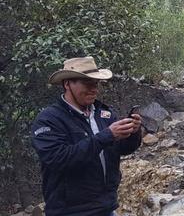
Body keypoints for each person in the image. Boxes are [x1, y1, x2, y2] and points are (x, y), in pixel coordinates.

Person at [31, 56, 142, 216]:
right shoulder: (48, 120)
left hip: (106, 207)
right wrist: (106, 135)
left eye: (95, 83)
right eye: (87, 83)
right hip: (69, 211)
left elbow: (121, 149)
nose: (94, 89)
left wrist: (133, 133)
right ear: (67, 84)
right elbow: (58, 160)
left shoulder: (104, 113)